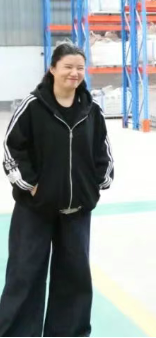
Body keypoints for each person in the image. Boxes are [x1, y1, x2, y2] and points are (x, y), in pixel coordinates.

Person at [0, 43, 114, 336]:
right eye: (68, 67)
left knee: (74, 276)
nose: (74, 73)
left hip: (77, 209)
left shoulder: (91, 109)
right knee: (25, 273)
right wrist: (30, 185)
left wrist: (97, 183)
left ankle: (69, 332)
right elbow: (12, 148)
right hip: (35, 209)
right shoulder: (32, 106)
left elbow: (103, 150)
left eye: (80, 68)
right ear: (52, 69)